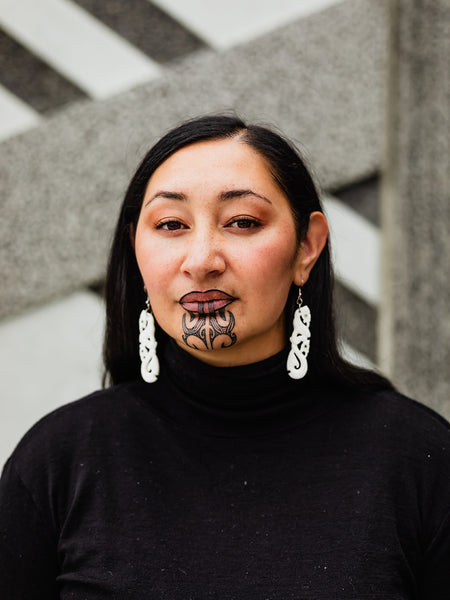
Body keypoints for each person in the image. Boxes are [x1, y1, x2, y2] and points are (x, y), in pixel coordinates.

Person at [0, 115, 449, 599]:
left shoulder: (416, 459)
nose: (201, 260)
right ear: (135, 249)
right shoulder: (59, 461)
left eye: (242, 222)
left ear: (307, 247)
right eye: (171, 225)